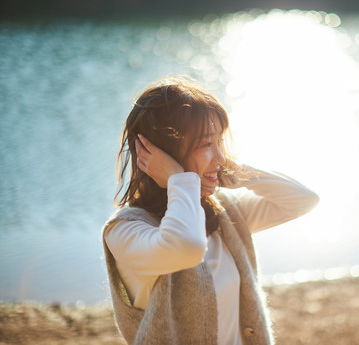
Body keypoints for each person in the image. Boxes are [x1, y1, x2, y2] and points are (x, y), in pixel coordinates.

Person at [102, 75, 319, 345]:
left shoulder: (226, 213)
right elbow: (187, 249)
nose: (219, 157)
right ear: (161, 153)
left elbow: (302, 200)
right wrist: (178, 180)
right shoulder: (125, 231)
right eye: (206, 144)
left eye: (220, 142)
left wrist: (236, 172)